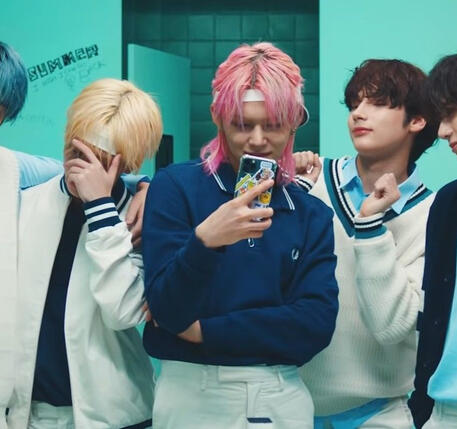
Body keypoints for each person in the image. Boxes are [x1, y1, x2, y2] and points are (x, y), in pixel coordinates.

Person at [141, 42, 338, 429]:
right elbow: (166, 309)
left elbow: (314, 324)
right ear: (218, 117)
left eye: (274, 124)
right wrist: (206, 241)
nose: (258, 139)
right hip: (188, 393)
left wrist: (204, 331)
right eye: (243, 125)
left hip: (278, 393)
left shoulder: (310, 213)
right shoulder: (175, 188)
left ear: (295, 121)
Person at [0, 41, 150, 427]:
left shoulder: (141, 217)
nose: (81, 166)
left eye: (99, 158)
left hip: (114, 416)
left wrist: (102, 208)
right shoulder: (25, 198)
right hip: (29, 414)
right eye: (75, 149)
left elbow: (122, 312)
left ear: (127, 163)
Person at [295, 59, 438, 428]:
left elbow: (393, 327)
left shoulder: (434, 215)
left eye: (377, 103)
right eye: (354, 103)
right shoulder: (309, 182)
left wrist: (370, 226)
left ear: (417, 120)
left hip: (378, 414)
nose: (358, 113)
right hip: (287, 406)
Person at [408, 53, 457, 429]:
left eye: (452, 113)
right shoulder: (448, 203)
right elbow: (433, 314)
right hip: (441, 411)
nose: (442, 130)